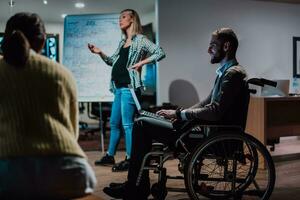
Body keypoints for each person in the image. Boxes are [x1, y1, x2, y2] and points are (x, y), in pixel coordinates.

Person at [103, 28, 249, 199]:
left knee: (141, 124)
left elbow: (215, 111)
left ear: (226, 46)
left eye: (212, 45)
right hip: (205, 130)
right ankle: (135, 184)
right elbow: (206, 103)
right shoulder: (227, 72)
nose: (209, 50)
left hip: (212, 136)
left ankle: (135, 187)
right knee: (144, 118)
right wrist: (178, 113)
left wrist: (181, 115)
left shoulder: (233, 74)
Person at [0, 12, 96, 199]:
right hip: (70, 172)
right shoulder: (63, 74)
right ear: (43, 41)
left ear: (6, 38)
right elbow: (72, 132)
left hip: (9, 171)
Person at [88, 9, 165, 172]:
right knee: (115, 123)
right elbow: (111, 61)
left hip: (129, 89)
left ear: (132, 19)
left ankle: (130, 158)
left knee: (128, 125)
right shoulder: (122, 42)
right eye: (119, 18)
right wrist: (100, 52)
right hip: (118, 88)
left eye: (123, 17)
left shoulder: (141, 40)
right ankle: (110, 155)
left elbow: (160, 52)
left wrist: (142, 62)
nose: (120, 20)